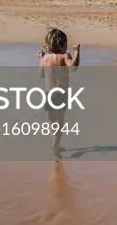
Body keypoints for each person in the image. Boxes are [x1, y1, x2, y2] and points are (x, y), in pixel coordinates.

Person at [38, 27, 81, 159]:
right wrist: (77, 52)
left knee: (51, 121)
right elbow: (73, 67)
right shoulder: (64, 56)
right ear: (63, 44)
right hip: (61, 94)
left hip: (48, 95)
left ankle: (54, 143)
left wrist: (41, 59)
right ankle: (56, 145)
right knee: (60, 121)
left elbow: (41, 75)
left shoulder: (45, 58)